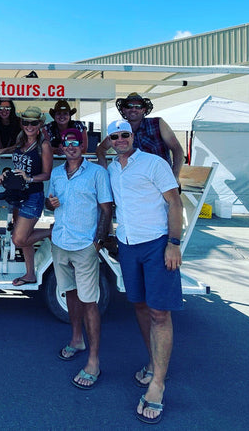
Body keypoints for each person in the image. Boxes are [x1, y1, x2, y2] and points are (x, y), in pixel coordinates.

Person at [106, 119, 183, 424]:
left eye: (125, 134)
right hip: (127, 245)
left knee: (160, 313)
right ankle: (152, 363)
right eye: (115, 136)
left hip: (157, 244)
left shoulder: (154, 163)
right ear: (110, 140)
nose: (121, 139)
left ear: (133, 135)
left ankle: (157, 385)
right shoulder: (112, 168)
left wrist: (174, 243)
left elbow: (175, 203)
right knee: (139, 306)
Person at [47, 128, 113, 390]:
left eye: (76, 142)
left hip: (85, 245)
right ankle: (77, 340)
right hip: (60, 243)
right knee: (70, 295)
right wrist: (49, 203)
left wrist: (98, 242)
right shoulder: (56, 173)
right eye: (67, 143)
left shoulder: (97, 172)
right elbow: (49, 202)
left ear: (83, 145)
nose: (71, 147)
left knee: (90, 302)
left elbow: (106, 208)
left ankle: (94, 361)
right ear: (62, 147)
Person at [0, 106, 52, 286]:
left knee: (18, 239)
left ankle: (55, 231)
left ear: (40, 124)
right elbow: (19, 156)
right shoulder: (20, 141)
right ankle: (29, 274)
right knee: (26, 238)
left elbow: (47, 174)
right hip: (18, 195)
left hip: (33, 197)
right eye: (26, 122)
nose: (29, 126)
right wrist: (5, 152)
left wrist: (29, 178)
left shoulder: (44, 145)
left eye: (33, 123)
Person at [96, 92, 184, 180]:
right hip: (135, 181)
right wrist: (103, 166)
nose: (133, 109)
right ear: (123, 110)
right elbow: (101, 149)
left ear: (143, 110)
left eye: (138, 106)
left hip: (161, 178)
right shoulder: (120, 130)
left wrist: (175, 175)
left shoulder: (157, 123)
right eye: (129, 106)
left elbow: (177, 149)